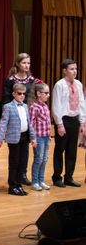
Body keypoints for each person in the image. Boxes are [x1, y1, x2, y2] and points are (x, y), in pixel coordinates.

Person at [2, 53, 38, 185]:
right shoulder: (10, 80)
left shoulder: (31, 80)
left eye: (28, 63)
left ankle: (22, 175)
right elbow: (6, 99)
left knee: (25, 152)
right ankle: (13, 178)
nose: (27, 65)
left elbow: (33, 97)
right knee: (15, 153)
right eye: (24, 63)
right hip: (14, 115)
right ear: (18, 64)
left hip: (26, 115)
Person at [0, 83, 37, 196]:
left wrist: (33, 137)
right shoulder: (8, 107)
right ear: (14, 94)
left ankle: (19, 185)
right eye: (19, 93)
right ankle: (12, 186)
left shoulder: (25, 106)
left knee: (23, 162)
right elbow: (3, 123)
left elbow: (29, 123)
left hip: (25, 137)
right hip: (14, 139)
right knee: (14, 163)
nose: (22, 96)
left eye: (24, 94)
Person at [51, 58, 86, 188]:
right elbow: (56, 105)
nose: (75, 71)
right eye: (72, 69)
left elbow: (82, 103)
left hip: (74, 119)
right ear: (65, 71)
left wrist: (82, 122)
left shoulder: (79, 84)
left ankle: (69, 177)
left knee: (72, 151)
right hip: (64, 120)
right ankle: (57, 177)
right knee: (60, 149)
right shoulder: (59, 85)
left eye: (75, 69)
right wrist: (59, 124)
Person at [29, 82, 52, 191]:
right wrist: (33, 138)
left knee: (45, 159)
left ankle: (41, 180)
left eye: (48, 93)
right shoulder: (34, 107)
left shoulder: (45, 106)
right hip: (38, 137)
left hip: (46, 136)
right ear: (38, 93)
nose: (48, 95)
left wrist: (49, 135)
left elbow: (47, 122)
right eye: (46, 93)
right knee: (39, 158)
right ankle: (35, 181)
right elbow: (31, 123)